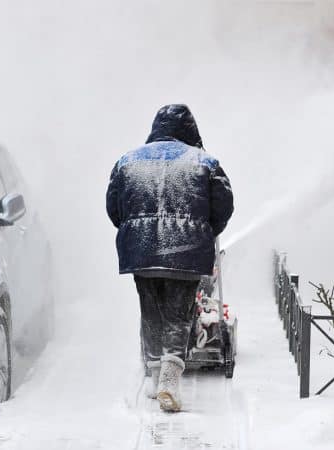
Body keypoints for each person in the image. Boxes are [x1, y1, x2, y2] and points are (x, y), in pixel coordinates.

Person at [106, 104, 234, 412]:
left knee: (151, 312)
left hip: (141, 250)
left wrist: (135, 230)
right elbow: (224, 206)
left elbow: (114, 206)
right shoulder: (206, 163)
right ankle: (169, 380)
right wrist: (204, 232)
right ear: (191, 131)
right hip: (186, 251)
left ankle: (153, 377)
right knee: (178, 315)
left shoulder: (127, 161)